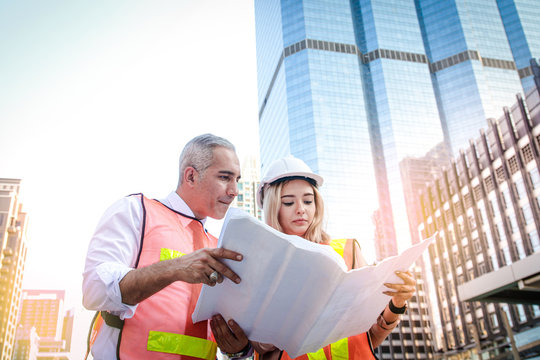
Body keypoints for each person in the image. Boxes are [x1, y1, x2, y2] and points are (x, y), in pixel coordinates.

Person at [210, 155, 417, 359]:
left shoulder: (346, 251)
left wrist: (397, 303)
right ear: (273, 207)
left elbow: (370, 337)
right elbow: (255, 347)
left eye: (308, 200)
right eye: (289, 202)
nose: (301, 209)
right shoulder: (254, 265)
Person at [82, 133, 249, 360]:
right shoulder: (136, 211)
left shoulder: (218, 246)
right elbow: (94, 290)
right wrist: (174, 268)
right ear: (190, 176)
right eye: (225, 177)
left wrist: (238, 349)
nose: (234, 191)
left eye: (237, 180)